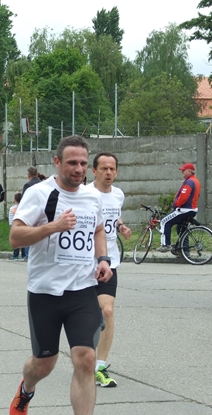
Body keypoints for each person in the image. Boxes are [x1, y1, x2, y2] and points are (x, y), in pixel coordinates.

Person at [8, 135, 112, 415]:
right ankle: (26, 389)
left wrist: (103, 259)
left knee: (86, 358)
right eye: (72, 163)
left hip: (82, 290)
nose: (79, 169)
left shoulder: (92, 197)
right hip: (45, 292)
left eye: (83, 163)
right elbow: (15, 236)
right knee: (44, 363)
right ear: (57, 162)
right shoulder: (39, 193)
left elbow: (97, 229)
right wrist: (52, 226)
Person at [87, 152, 132, 388]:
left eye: (112, 169)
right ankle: (85, 358)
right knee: (86, 315)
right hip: (84, 264)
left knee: (107, 311)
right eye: (103, 168)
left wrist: (121, 226)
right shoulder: (84, 194)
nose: (108, 172)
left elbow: (114, 216)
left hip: (110, 262)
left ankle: (100, 366)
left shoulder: (118, 194)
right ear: (93, 171)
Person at [157, 163, 201, 252]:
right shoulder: (196, 181)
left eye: (183, 170)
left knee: (164, 221)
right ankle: (185, 251)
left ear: (189, 171)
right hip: (192, 209)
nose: (182, 172)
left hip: (184, 210)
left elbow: (183, 197)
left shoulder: (189, 182)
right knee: (181, 229)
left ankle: (166, 245)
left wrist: (176, 204)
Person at [8, 193, 26, 261]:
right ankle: (24, 255)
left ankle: (15, 256)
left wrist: (11, 226)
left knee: (16, 240)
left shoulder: (12, 208)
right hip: (23, 225)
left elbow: (11, 218)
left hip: (14, 226)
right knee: (23, 240)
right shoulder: (24, 208)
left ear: (14, 200)